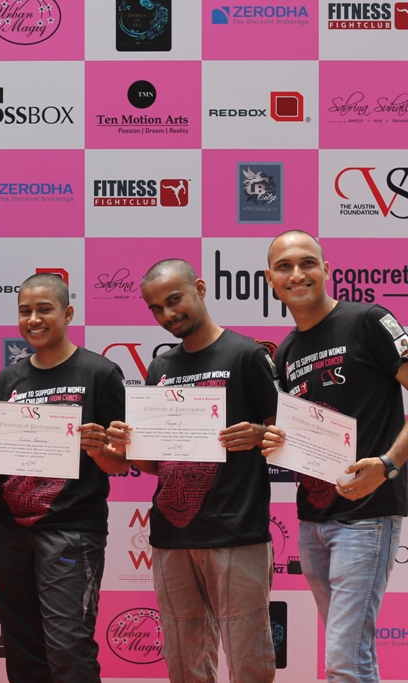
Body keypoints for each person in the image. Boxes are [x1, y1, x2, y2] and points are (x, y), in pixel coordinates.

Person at [105, 259, 278, 683]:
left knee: (249, 662)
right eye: (156, 308)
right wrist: (128, 448)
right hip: (171, 534)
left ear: (199, 288)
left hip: (236, 532)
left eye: (174, 300)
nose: (167, 314)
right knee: (184, 665)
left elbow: (288, 440)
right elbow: (154, 463)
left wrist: (260, 435)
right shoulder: (160, 368)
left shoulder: (247, 355)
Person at [0, 273, 127, 683]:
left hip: (71, 530)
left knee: (69, 646)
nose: (33, 319)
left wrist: (97, 448)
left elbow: (121, 463)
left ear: (68, 313)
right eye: (25, 311)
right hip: (8, 530)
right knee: (22, 646)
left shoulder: (100, 373)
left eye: (44, 309)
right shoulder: (7, 380)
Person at [262, 230, 408, 683]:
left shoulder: (369, 321)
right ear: (270, 279)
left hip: (367, 516)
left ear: (326, 270)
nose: (297, 274)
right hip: (313, 522)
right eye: (284, 266)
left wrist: (388, 464)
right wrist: (273, 439)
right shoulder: (287, 350)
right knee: (354, 656)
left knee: (344, 663)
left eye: (307, 263)